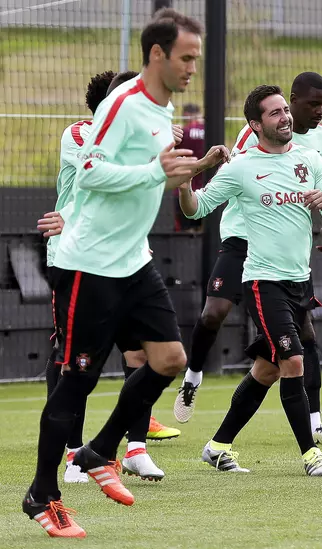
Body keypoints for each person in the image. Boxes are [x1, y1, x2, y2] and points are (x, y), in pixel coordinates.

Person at [23, 9, 227, 538]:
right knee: (77, 380)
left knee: (170, 359)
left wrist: (191, 169)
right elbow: (90, 171)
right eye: (186, 58)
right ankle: (42, 494)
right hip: (90, 264)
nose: (192, 68)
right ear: (157, 54)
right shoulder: (123, 102)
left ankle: (99, 451)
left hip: (133, 262)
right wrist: (154, 169)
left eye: (196, 58)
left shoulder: (164, 110)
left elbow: (150, 181)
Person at [173, 72, 322, 445]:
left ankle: (306, 425)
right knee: (216, 313)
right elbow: (225, 188)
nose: (319, 111)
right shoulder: (251, 144)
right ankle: (193, 377)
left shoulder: (318, 145)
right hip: (244, 238)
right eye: (312, 104)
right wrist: (191, 175)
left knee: (284, 354)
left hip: (289, 254)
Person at [37, 69, 183, 487]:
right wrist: (157, 148)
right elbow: (104, 173)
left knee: (145, 355)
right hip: (76, 255)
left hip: (126, 257)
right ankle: (72, 454)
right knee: (72, 360)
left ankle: (134, 449)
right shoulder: (79, 134)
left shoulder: (143, 133)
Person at [174, 103, 206, 231]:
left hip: (185, 189)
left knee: (186, 231)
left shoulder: (183, 132)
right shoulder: (211, 130)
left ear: (186, 115)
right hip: (208, 189)